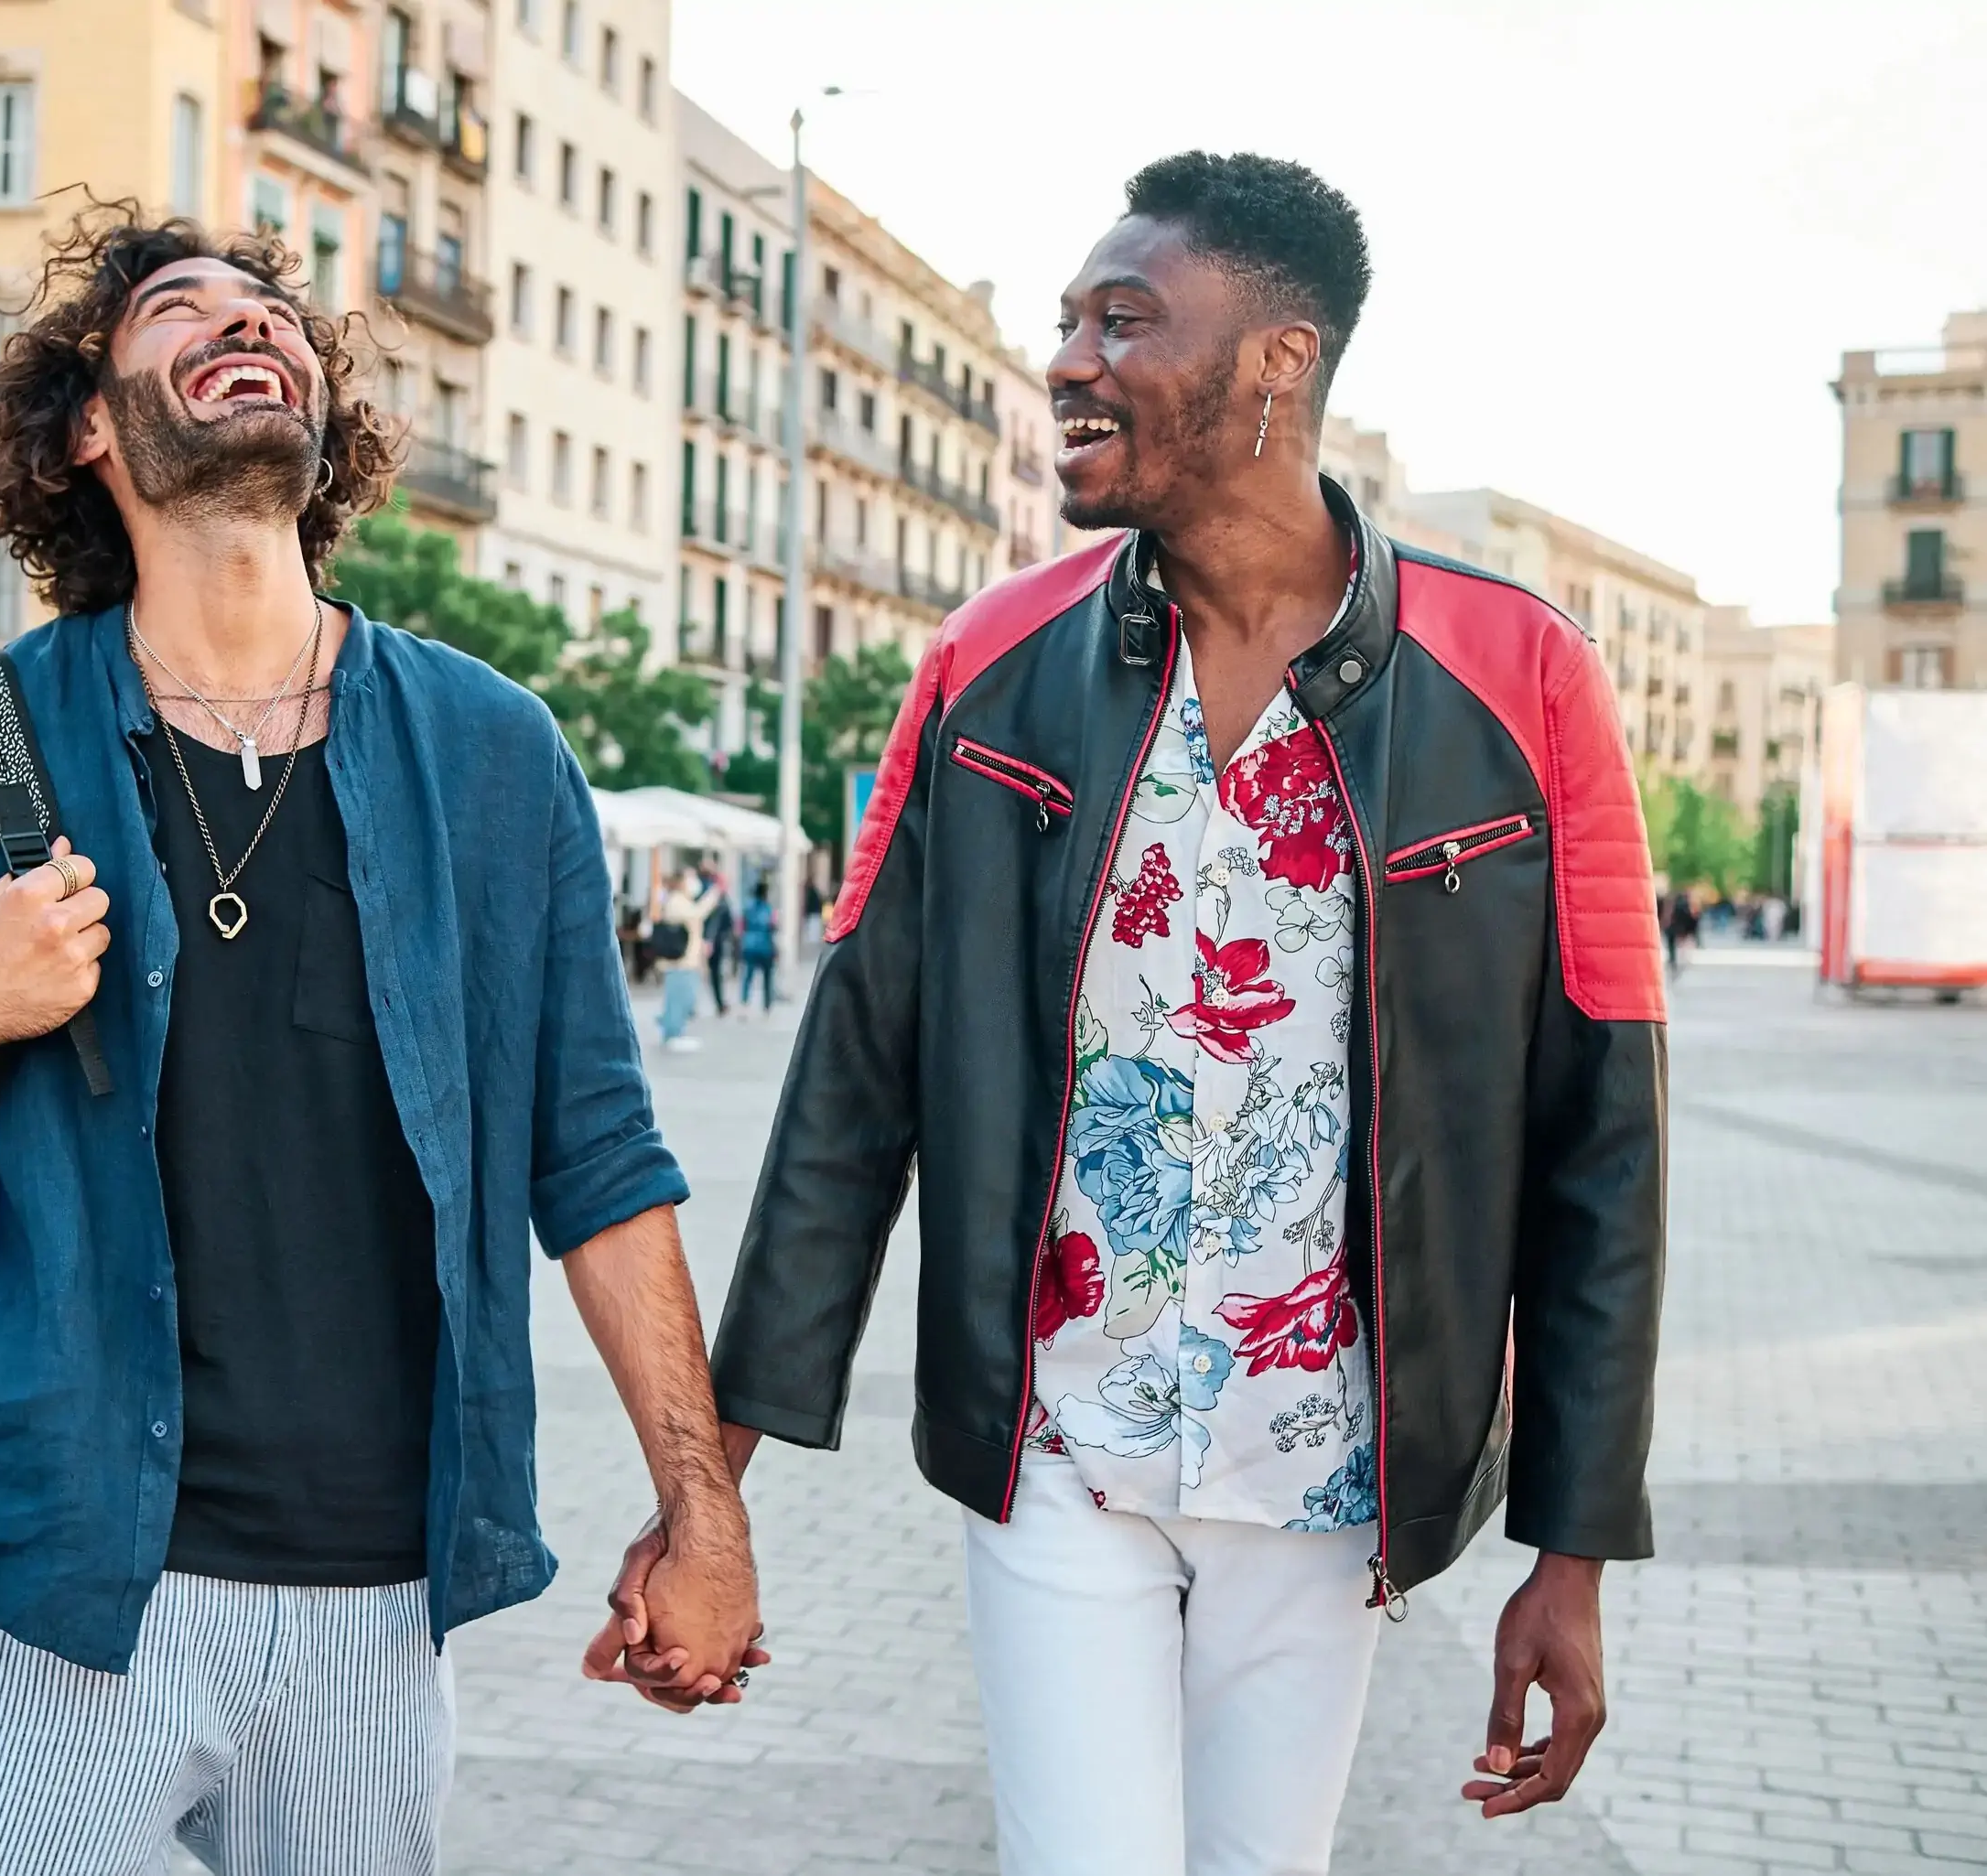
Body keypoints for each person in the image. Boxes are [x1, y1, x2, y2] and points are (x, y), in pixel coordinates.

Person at [591, 153, 1665, 1875]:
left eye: (1125, 320)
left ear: (1276, 364)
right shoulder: (984, 663)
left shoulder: (1523, 672)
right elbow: (852, 1096)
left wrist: (1574, 1551)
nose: (1070, 361)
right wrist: (704, 1498)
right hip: (1055, 1452)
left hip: (1331, 1478)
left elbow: (1602, 1131)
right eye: (1067, 321)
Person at [0, 211, 760, 1876]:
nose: (250, 324)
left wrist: (703, 1513)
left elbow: (595, 1163)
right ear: (88, 428)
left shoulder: (495, 754)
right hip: (54, 1571)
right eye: (180, 309)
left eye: (273, 310)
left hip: (376, 1585)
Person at [653, 864, 714, 1052]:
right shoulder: (677, 901)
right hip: (679, 962)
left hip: (686, 961)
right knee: (679, 998)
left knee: (684, 997)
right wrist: (713, 896)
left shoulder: (682, 900)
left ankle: (671, 1027)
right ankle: (672, 1032)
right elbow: (696, 914)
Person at [703, 866, 739, 1016]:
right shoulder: (717, 899)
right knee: (715, 973)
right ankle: (719, 1003)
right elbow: (714, 922)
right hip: (716, 942)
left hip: (718, 940)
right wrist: (710, 940)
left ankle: (720, 1002)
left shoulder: (719, 898)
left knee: (715, 973)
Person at [738, 878, 777, 1012]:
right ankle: (767, 1005)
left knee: (748, 976)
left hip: (749, 945)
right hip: (765, 947)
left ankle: (744, 1002)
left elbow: (741, 926)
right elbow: (773, 926)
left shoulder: (747, 907)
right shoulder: (768, 909)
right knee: (767, 977)